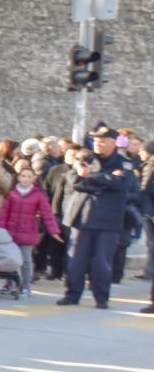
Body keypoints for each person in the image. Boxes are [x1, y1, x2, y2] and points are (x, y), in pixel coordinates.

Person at [58, 126, 138, 308]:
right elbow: (74, 181)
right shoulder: (86, 158)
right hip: (82, 218)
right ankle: (72, 294)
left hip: (108, 221)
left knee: (103, 263)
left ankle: (101, 297)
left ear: (113, 143)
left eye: (102, 141)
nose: (98, 144)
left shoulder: (123, 163)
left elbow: (122, 185)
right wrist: (105, 180)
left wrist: (91, 176)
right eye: (96, 140)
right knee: (75, 260)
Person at [0, 162, 60, 297]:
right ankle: (9, 282)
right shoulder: (11, 193)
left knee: (25, 260)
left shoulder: (38, 195)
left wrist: (53, 230)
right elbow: (3, 213)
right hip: (10, 232)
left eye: (29, 176)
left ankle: (25, 285)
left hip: (28, 232)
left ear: (34, 178)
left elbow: (47, 214)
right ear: (18, 177)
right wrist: (1, 230)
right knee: (10, 259)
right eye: (23, 176)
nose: (25, 179)